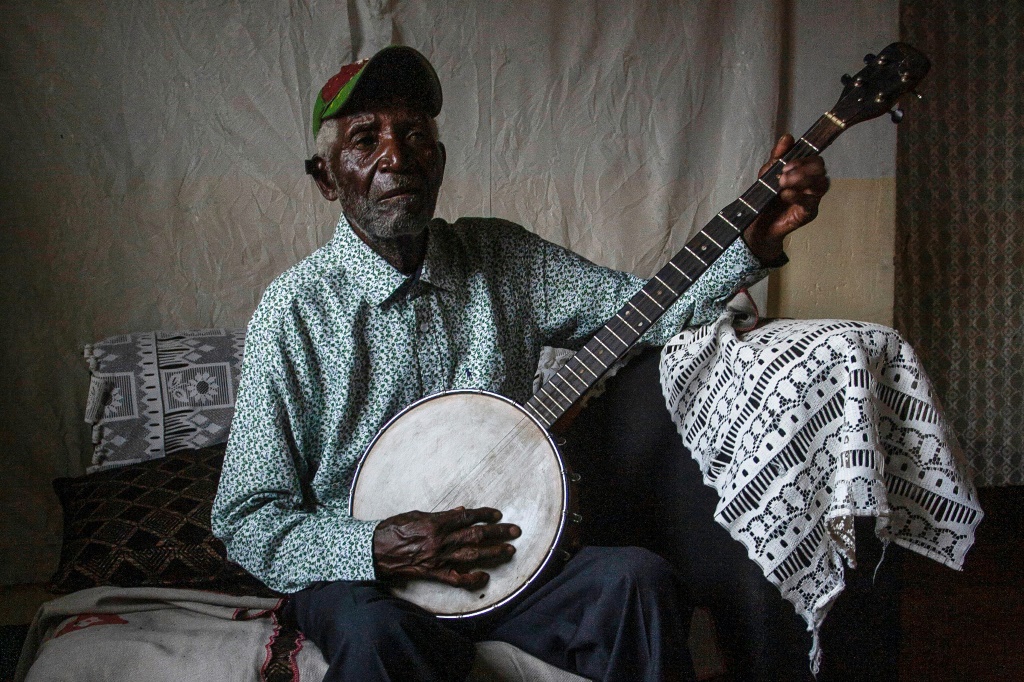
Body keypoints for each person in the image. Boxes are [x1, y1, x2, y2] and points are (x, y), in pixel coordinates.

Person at [212, 45, 829, 681]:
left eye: (415, 135)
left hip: (509, 563)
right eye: (366, 139)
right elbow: (246, 517)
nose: (395, 155)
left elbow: (649, 311)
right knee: (379, 635)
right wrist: (371, 546)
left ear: (440, 162)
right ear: (326, 178)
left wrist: (751, 244)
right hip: (367, 583)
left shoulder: (504, 257)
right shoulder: (294, 310)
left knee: (636, 582)